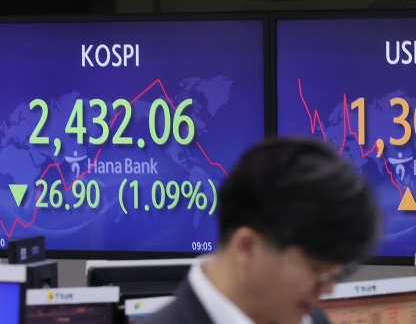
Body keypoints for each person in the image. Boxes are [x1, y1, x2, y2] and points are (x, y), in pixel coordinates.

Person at [145, 136, 381, 324]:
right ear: (247, 247)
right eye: (316, 271)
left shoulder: (311, 319)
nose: (327, 292)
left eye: (335, 276)